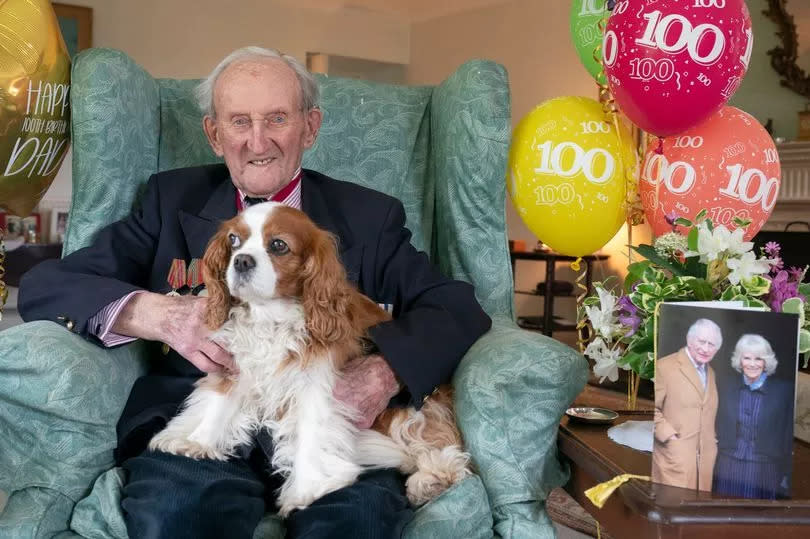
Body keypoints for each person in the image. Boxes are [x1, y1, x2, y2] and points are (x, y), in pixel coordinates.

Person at [18, 46, 491, 539]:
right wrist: (155, 313)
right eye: (239, 121)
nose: (257, 140)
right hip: (204, 422)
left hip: (336, 429)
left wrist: (383, 371)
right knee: (173, 517)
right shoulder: (169, 199)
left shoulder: (370, 215)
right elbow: (50, 284)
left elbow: (456, 307)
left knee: (356, 525)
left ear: (309, 127)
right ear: (214, 133)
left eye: (277, 119)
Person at [713, 334, 794, 499]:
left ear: (766, 362)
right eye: (746, 358)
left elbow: (787, 433)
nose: (752, 364)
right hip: (728, 464)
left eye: (758, 359)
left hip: (765, 468)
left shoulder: (784, 390)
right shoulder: (724, 385)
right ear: (739, 361)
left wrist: (786, 472)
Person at [652, 318, 721, 491]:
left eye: (711, 344)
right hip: (673, 456)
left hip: (704, 461)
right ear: (690, 340)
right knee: (671, 510)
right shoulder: (664, 366)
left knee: (697, 513)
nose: (706, 349)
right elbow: (651, 407)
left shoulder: (710, 372)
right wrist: (669, 436)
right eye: (702, 341)